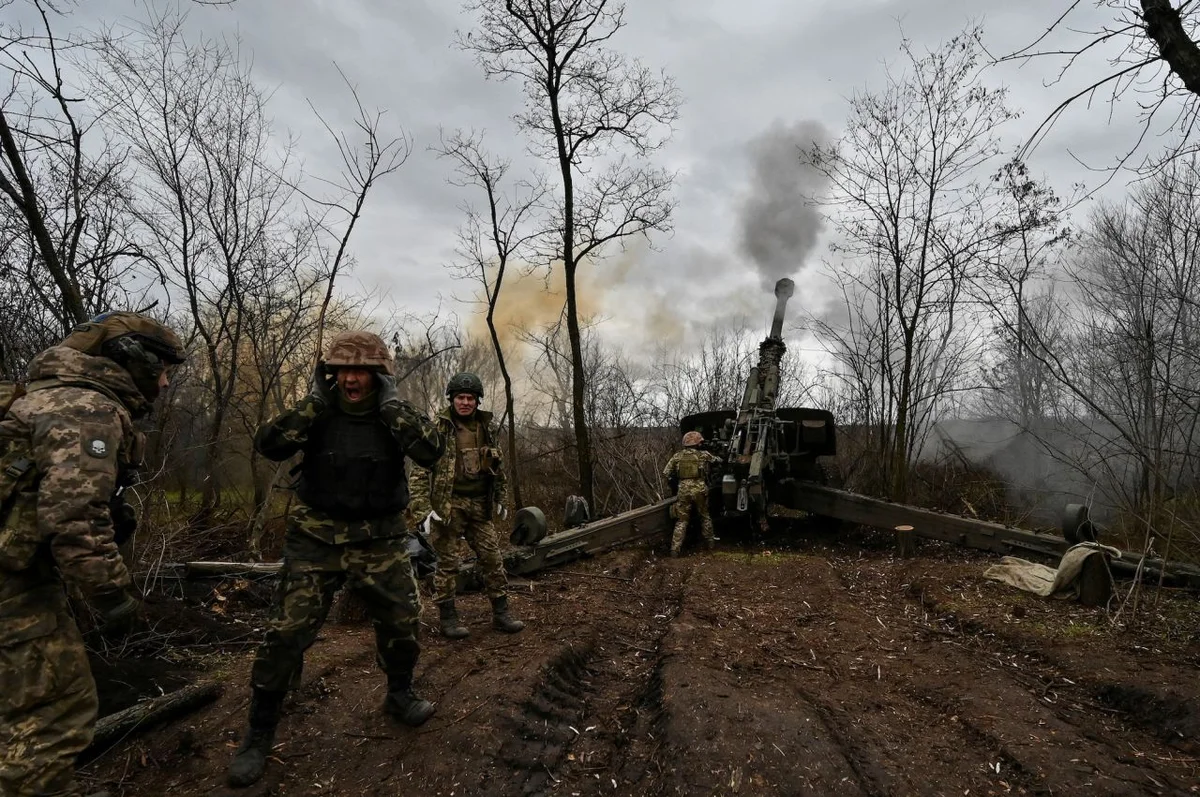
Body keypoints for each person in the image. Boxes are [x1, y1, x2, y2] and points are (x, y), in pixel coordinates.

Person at [226, 331, 445, 788]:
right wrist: (312, 403)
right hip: (316, 538)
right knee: (286, 633)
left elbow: (432, 451)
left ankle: (399, 694)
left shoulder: (392, 415)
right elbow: (269, 444)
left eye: (361, 371)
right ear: (330, 374)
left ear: (378, 375)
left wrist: (392, 407)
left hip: (381, 538)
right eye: (343, 370)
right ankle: (260, 732)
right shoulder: (317, 411)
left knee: (403, 620)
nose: (351, 379)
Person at [0, 312, 186, 797]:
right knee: (54, 710)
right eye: (164, 369)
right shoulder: (84, 408)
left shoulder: (37, 395)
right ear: (134, 359)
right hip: (12, 588)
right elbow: (76, 520)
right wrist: (116, 600)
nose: (165, 383)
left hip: (18, 574)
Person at [408, 372, 524, 640]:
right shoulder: (439, 428)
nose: (465, 402)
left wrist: (500, 497)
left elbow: (498, 464)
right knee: (448, 564)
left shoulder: (486, 427)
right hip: (448, 507)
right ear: (451, 398)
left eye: (470, 398)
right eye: (460, 397)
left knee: (493, 559)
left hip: (479, 505)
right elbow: (419, 471)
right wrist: (423, 509)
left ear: (477, 401)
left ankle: (501, 613)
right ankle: (448, 618)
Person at [663, 431, 721, 557]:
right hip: (699, 489)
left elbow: (666, 472)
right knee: (705, 516)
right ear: (697, 443)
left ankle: (675, 550)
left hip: (683, 490)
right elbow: (718, 461)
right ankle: (710, 544)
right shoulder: (703, 455)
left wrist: (675, 482)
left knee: (682, 520)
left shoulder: (677, 456)